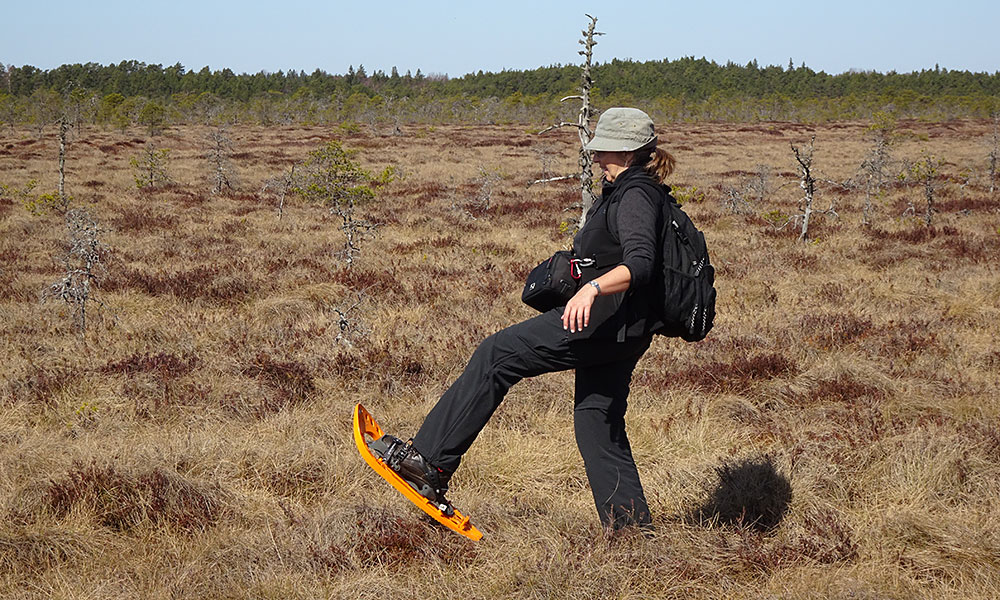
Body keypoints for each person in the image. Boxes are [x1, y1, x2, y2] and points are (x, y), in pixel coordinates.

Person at [377, 107, 677, 530]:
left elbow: (641, 264)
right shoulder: (627, 190)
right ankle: (630, 532)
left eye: (602, 151)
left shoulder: (636, 196)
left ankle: (428, 463)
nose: (594, 159)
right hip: (624, 328)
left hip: (604, 322)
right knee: (597, 423)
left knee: (497, 355)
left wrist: (591, 289)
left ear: (626, 153)